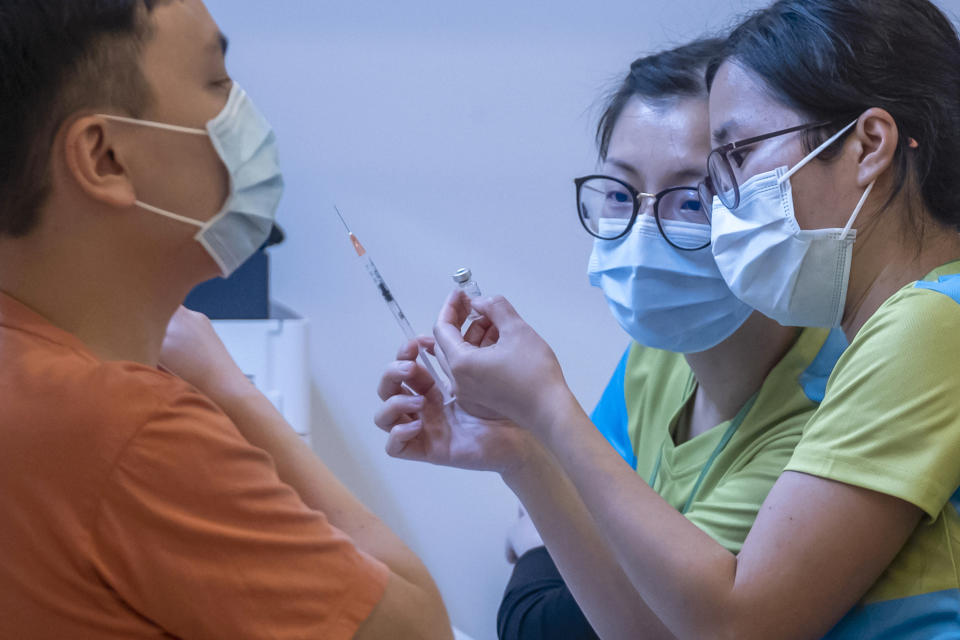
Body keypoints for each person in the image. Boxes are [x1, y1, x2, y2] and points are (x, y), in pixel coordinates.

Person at [377, 0, 960, 637]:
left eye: (734, 159)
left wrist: (548, 406)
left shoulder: (929, 324)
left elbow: (737, 627)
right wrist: (521, 451)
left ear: (868, 145)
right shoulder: (896, 328)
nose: (728, 204)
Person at [0, 1, 451, 638]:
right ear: (104, 158)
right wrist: (231, 390)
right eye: (217, 82)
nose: (246, 113)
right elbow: (417, 629)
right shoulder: (129, 431)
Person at [494, 39, 847, 640]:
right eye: (619, 193)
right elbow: (576, 528)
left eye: (692, 199)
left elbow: (559, 625)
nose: (642, 233)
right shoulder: (656, 358)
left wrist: (541, 528)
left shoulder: (827, 410)